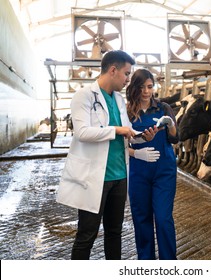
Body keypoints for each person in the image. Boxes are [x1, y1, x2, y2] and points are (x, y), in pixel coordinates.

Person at [56, 50, 157, 260]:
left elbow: (127, 129)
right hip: (95, 177)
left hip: (119, 175)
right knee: (87, 234)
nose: (128, 79)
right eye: (127, 74)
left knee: (115, 233)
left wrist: (142, 136)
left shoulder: (119, 99)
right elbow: (82, 133)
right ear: (113, 70)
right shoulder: (83, 95)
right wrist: (117, 130)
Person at [126, 68, 179, 260]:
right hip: (139, 172)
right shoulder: (127, 111)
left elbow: (175, 139)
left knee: (164, 219)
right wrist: (136, 153)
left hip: (164, 171)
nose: (146, 91)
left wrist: (170, 125)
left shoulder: (164, 108)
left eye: (149, 87)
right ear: (134, 88)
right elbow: (120, 144)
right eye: (141, 87)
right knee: (142, 220)